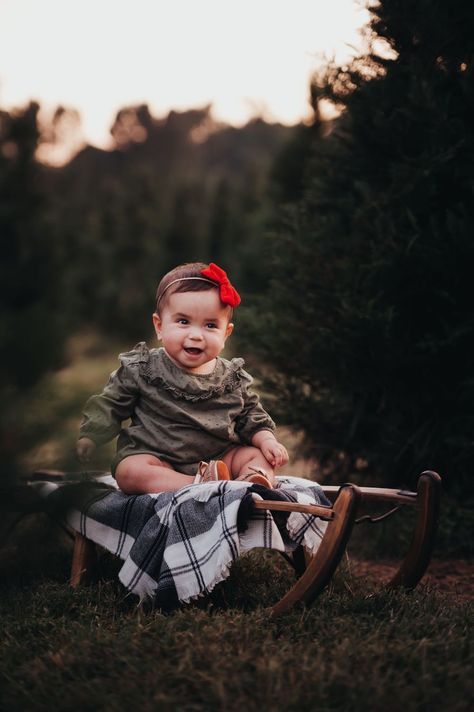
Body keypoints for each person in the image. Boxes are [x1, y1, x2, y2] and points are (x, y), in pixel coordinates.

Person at [76, 261, 289, 494]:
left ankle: (250, 482)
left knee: (258, 457)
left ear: (226, 333)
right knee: (129, 471)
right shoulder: (143, 368)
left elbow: (252, 417)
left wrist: (267, 441)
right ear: (159, 326)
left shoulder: (232, 379)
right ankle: (201, 486)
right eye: (183, 322)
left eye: (210, 325)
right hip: (159, 459)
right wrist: (92, 434)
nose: (196, 335)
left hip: (221, 459)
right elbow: (111, 403)